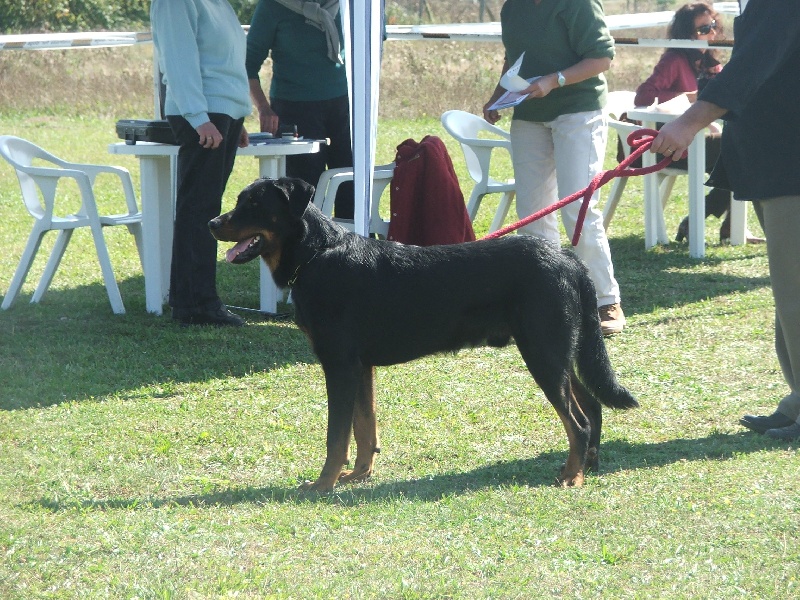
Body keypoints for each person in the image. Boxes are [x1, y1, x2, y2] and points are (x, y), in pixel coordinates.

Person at [650, 0, 800, 440]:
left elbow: (754, 65)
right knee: (788, 292)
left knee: (796, 294)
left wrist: (690, 121)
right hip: (775, 160)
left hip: (789, 162)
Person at [483, 0, 625, 336]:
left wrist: (555, 80)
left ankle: (605, 300)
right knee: (533, 211)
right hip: (529, 115)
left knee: (578, 208)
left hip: (579, 111)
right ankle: (547, 297)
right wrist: (497, 96)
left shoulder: (578, 4)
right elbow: (514, 60)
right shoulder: (512, 8)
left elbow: (602, 58)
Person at [150, 0, 251, 327]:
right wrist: (198, 117)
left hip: (221, 112)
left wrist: (236, 115)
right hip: (202, 113)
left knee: (204, 208)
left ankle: (188, 299)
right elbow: (179, 60)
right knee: (200, 211)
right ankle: (198, 304)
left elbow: (226, 58)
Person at [634, 2, 764, 245]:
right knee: (738, 151)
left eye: (713, 25)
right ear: (687, 33)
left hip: (698, 140)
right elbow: (643, 95)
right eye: (704, 29)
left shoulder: (709, 60)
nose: (712, 33)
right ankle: (718, 224)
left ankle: (717, 223)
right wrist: (690, 98)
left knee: (739, 148)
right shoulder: (674, 59)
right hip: (669, 143)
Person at [246, 0, 354, 219]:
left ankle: (352, 243)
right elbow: (248, 65)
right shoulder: (273, 6)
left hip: (344, 104)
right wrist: (263, 108)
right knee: (301, 189)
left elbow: (372, 46)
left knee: (350, 181)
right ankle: (301, 247)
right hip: (293, 107)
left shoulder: (350, 6)